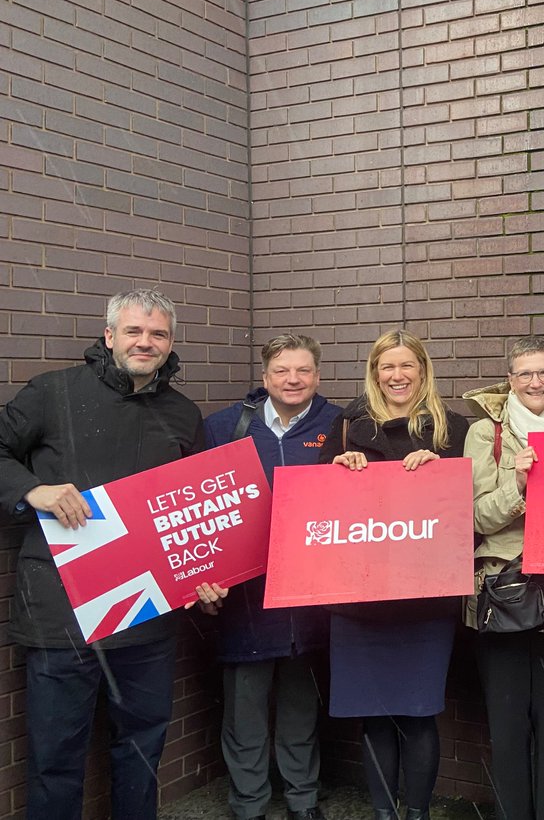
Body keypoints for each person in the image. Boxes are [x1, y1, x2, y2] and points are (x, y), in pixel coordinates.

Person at [0, 290, 210, 818]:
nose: (146, 342)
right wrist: (32, 490)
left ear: (170, 342)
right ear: (110, 335)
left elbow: (201, 508)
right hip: (61, 610)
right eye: (135, 331)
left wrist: (208, 574)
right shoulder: (53, 393)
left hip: (147, 608)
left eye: (158, 334)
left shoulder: (184, 415)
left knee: (142, 748)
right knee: (56, 758)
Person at [320, 330, 470, 820]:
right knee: (375, 714)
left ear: (423, 370)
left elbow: (469, 508)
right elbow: (319, 511)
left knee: (418, 711)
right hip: (360, 601)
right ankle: (385, 814)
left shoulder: (452, 428)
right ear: (374, 372)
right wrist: (338, 470)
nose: (397, 376)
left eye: (407, 365)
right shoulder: (348, 425)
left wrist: (442, 467)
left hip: (425, 600)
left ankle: (418, 813)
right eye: (387, 367)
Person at [203, 334, 340, 820]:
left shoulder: (339, 425)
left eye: (303, 370)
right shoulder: (223, 427)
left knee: (302, 707)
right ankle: (250, 805)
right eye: (282, 371)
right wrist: (201, 580)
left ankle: (303, 801)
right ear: (265, 378)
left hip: (309, 601)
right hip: (245, 599)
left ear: (317, 376)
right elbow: (199, 509)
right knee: (245, 711)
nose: (293, 379)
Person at [462, 335, 544, 820]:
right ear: (510, 379)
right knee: (508, 727)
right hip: (504, 595)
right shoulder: (484, 433)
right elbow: (475, 516)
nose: (535, 382)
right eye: (525, 373)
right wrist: (518, 487)